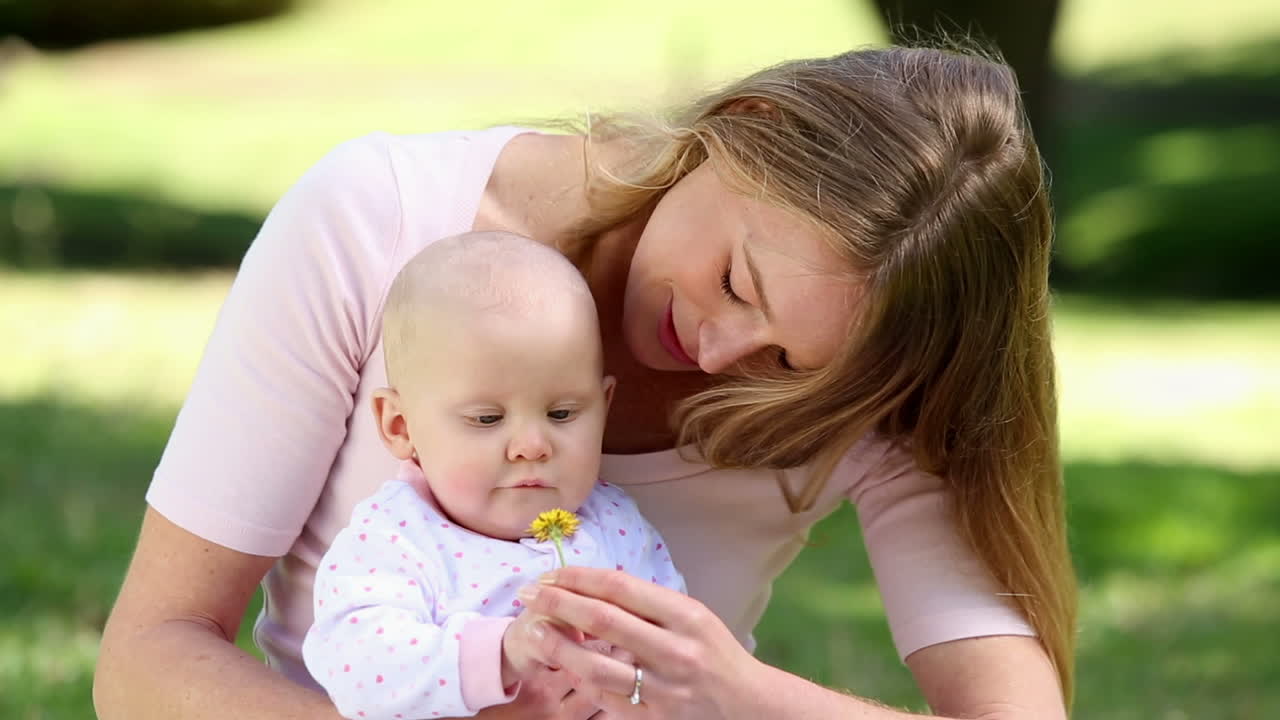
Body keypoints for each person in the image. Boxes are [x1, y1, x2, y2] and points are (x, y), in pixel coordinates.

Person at [95, 44, 1077, 720]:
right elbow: (145, 663)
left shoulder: (866, 384)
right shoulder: (381, 222)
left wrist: (734, 694)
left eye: (787, 363)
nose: (722, 351)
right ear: (742, 123)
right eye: (736, 282)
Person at [301, 232, 685, 719]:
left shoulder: (615, 525)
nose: (532, 445)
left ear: (603, 408)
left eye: (563, 413)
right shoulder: (396, 538)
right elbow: (358, 666)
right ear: (401, 426)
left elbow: (679, 641)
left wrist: (643, 667)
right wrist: (502, 653)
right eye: (487, 419)